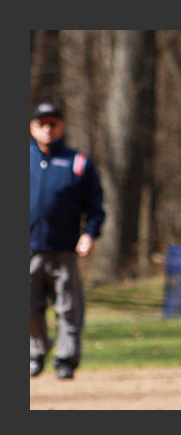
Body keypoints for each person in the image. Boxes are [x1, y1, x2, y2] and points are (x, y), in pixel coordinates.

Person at [30, 102, 106, 380]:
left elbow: (95, 206)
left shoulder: (77, 162)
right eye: (42, 123)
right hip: (29, 250)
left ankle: (66, 360)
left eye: (53, 123)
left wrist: (89, 234)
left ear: (61, 127)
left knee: (68, 308)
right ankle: (38, 351)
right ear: (32, 127)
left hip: (65, 249)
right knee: (27, 306)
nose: (48, 129)